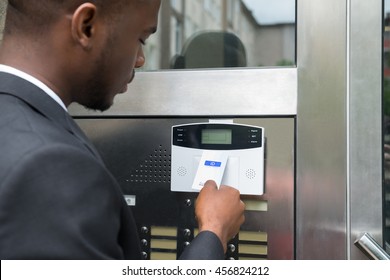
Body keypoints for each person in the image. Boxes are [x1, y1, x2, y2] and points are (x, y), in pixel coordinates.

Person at [0, 0, 245, 259]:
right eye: (140, 38)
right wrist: (215, 232)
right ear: (86, 27)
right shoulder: (53, 167)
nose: (140, 60)